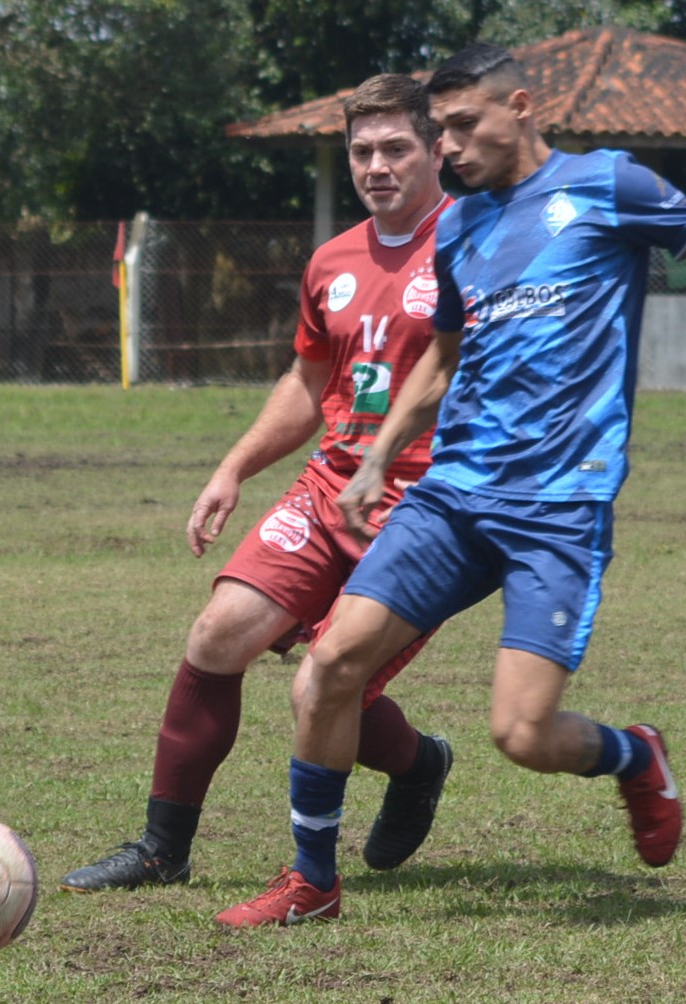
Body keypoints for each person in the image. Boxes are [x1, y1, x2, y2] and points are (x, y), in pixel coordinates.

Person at [214, 43, 686, 928]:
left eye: (461, 126)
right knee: (331, 664)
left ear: (521, 106)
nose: (446, 148)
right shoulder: (457, 227)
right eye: (438, 131)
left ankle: (633, 756)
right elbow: (445, 358)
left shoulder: (610, 187)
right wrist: (380, 454)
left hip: (558, 512)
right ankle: (312, 884)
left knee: (522, 735)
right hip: (452, 496)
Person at [61, 73, 455, 893]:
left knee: (324, 681)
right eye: (361, 151)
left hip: (426, 508)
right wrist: (233, 467)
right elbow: (308, 384)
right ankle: (162, 851)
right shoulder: (333, 261)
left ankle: (417, 765)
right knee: (216, 636)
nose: (375, 165)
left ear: (436, 148)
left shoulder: (477, 245)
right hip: (326, 490)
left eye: (394, 148)